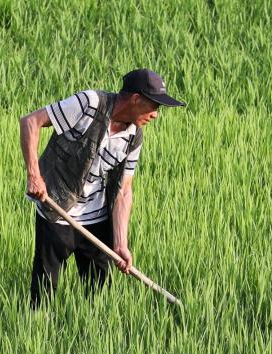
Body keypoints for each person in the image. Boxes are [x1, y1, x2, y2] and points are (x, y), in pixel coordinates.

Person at [20, 68, 183, 306]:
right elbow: (31, 122)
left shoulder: (133, 137)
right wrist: (34, 175)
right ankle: (35, 335)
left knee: (98, 297)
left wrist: (120, 243)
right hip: (57, 212)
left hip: (96, 219)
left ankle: (91, 336)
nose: (156, 115)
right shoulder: (89, 104)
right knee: (44, 294)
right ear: (135, 99)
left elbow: (124, 191)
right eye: (154, 106)